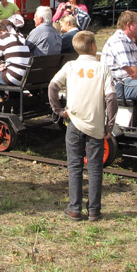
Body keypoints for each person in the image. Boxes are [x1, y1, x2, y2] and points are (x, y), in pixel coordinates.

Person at [49, 31, 117, 222]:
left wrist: (58, 110)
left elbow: (53, 86)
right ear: (94, 47)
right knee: (95, 168)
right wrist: (109, 124)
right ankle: (94, 210)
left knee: (75, 166)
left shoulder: (70, 66)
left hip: (74, 122)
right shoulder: (102, 68)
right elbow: (111, 98)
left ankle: (74, 208)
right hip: (95, 126)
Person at [0, 20, 31, 107]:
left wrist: (0, 64)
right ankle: (0, 98)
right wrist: (3, 64)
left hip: (14, 77)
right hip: (26, 76)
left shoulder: (1, 38)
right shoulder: (20, 36)